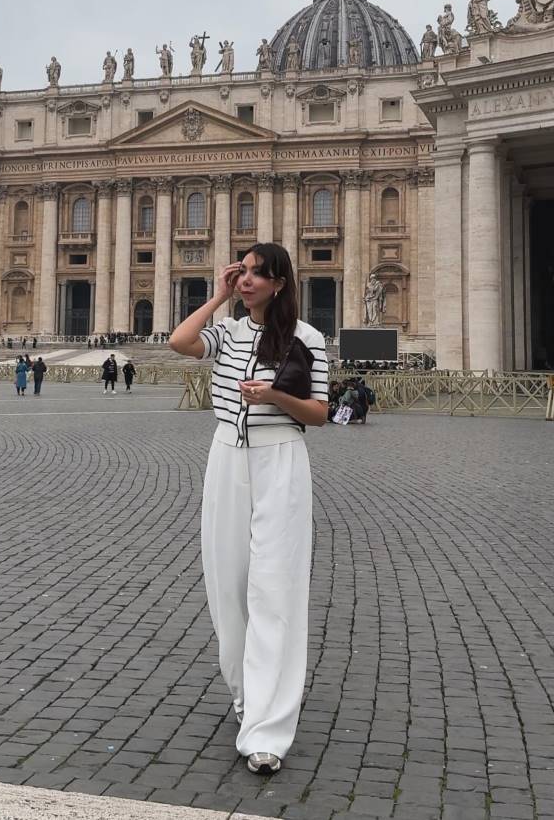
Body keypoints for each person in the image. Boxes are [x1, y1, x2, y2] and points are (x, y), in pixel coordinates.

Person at [169, 243, 328, 776]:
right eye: (244, 271)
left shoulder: (308, 339)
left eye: (259, 273)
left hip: (279, 459)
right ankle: (246, 696)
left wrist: (274, 397)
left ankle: (269, 729)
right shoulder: (230, 332)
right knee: (228, 583)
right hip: (226, 458)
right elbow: (179, 341)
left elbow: (320, 413)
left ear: (280, 282)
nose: (248, 280)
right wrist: (215, 296)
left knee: (274, 589)